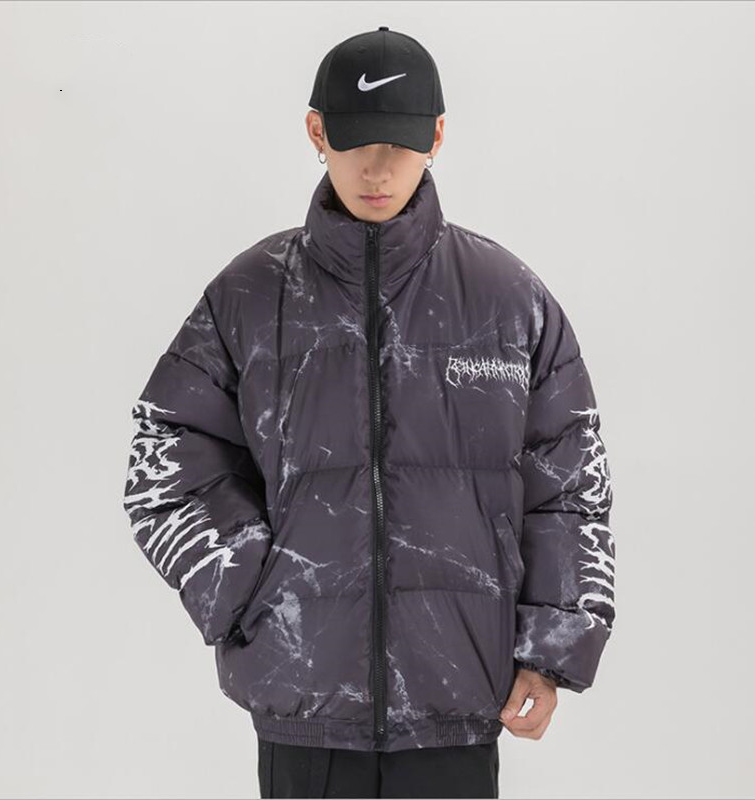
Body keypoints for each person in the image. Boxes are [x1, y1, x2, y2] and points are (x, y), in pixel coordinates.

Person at [122, 26, 615, 800]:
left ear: (437, 137)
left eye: (398, 143)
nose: (377, 168)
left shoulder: (506, 299)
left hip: (456, 700)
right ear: (316, 131)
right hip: (304, 706)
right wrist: (257, 591)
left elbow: (571, 482)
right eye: (355, 142)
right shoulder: (251, 295)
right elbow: (165, 454)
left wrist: (551, 649)